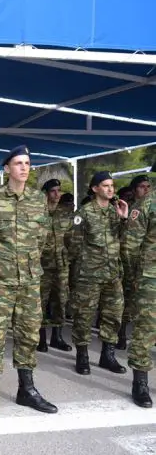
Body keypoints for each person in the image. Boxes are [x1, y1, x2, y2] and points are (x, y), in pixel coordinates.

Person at [0, 145, 57, 418]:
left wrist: (28, 261)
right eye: (18, 163)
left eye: (27, 164)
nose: (24, 168)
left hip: (29, 279)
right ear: (7, 168)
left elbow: (42, 237)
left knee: (29, 333)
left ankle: (27, 389)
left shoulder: (37, 199)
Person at [67, 171, 129, 376]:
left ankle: (107, 356)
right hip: (89, 275)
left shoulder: (115, 211)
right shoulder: (84, 213)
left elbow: (125, 240)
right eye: (105, 185)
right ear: (95, 189)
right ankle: (82, 355)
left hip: (112, 274)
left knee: (113, 314)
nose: (110, 189)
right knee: (84, 315)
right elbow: (72, 243)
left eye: (112, 185)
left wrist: (124, 219)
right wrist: (84, 265)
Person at [125, 167, 155, 407]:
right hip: (150, 277)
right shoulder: (145, 204)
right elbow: (130, 246)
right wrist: (137, 275)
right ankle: (140, 382)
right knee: (145, 329)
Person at [37, 179, 73, 352]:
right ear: (45, 193)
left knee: (61, 300)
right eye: (53, 191)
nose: (57, 194)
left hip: (61, 265)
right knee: (41, 301)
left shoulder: (66, 212)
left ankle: (57, 337)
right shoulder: (38, 211)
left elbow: (74, 237)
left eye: (59, 190)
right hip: (42, 265)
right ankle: (41, 337)